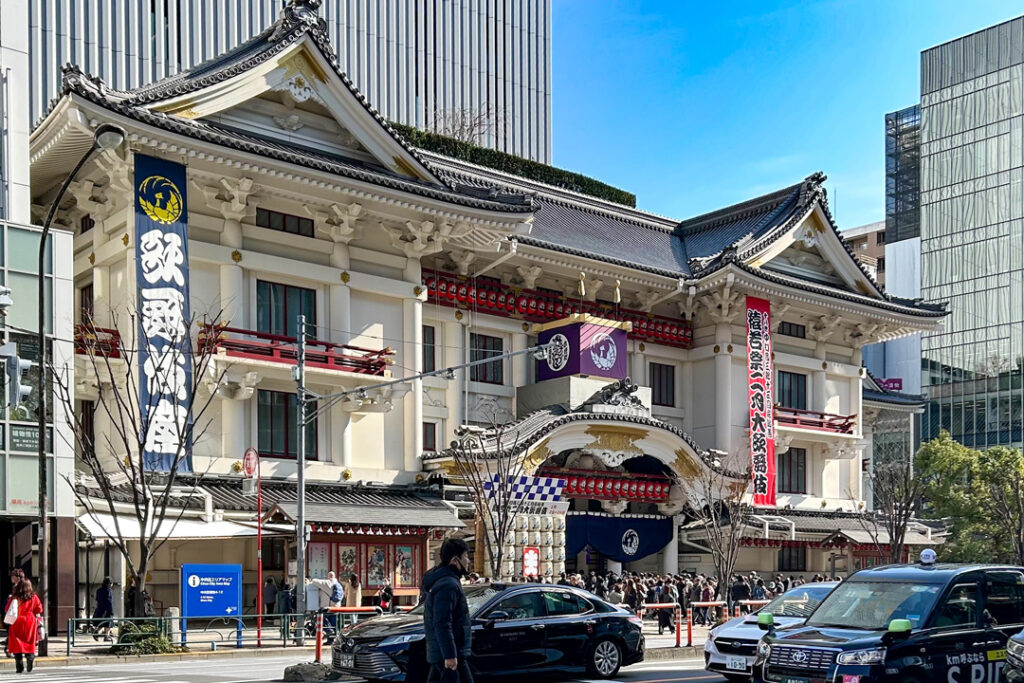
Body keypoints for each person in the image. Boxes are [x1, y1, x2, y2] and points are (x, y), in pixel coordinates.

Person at [422, 538, 473, 683]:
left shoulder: (445, 580)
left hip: (444, 652)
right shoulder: (448, 585)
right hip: (449, 653)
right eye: (465, 557)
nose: (468, 561)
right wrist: (450, 655)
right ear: (454, 560)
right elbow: (442, 623)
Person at [5, 578, 42, 673]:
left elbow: (7, 609)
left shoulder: (15, 597)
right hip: (30, 621)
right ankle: (30, 657)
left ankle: (19, 666)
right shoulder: (34, 597)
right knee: (29, 641)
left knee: (16, 643)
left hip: (17, 621)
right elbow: (39, 609)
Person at [92, 577, 114, 641]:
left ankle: (97, 632)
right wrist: (111, 611)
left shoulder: (99, 590)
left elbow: (97, 599)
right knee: (108, 623)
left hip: (99, 609)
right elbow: (109, 601)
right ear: (110, 584)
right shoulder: (109, 591)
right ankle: (106, 636)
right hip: (107, 610)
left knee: (101, 623)